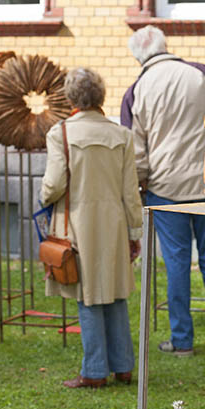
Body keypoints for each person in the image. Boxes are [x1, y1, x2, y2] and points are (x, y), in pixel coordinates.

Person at [121, 25, 205, 357]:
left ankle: (181, 341)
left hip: (164, 189)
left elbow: (135, 149)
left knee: (176, 262)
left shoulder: (137, 90)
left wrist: (140, 182)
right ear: (165, 45)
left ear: (138, 57)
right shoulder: (202, 75)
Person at [41, 67, 143, 389]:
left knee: (87, 295)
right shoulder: (121, 135)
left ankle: (94, 371)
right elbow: (131, 190)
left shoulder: (62, 133)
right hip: (114, 224)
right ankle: (123, 366)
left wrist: (43, 195)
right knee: (114, 292)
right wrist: (135, 231)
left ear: (71, 97)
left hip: (77, 223)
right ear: (101, 95)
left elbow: (54, 184)